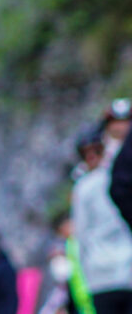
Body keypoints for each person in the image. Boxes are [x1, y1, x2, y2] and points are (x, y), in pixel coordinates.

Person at [72, 119, 132, 314]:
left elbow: (80, 234)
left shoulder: (84, 186)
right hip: (118, 271)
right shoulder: (118, 176)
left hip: (104, 274)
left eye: (95, 151)